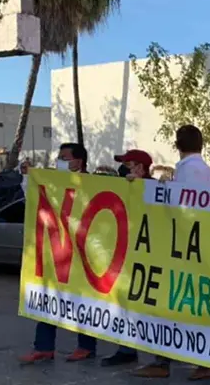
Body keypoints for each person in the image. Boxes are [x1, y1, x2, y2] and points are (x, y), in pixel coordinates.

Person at [131, 131, 210, 382]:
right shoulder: (194, 168)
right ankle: (165, 360)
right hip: (183, 244)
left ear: (178, 144)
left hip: (185, 245)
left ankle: (198, 362)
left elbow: (186, 208)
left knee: (183, 305)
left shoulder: (192, 170)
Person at [18, 143, 100, 364]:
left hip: (83, 253)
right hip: (58, 251)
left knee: (83, 301)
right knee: (49, 297)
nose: (59, 161)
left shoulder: (95, 184)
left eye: (64, 157)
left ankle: (86, 345)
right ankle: (44, 347)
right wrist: (28, 178)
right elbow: (35, 201)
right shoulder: (54, 182)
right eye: (59, 157)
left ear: (78, 162)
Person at [102, 150, 158, 368]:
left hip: (149, 258)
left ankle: (159, 359)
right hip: (127, 254)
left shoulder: (154, 189)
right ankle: (126, 349)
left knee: (151, 309)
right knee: (125, 304)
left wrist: (140, 186)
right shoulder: (125, 186)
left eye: (128, 164)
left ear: (141, 167)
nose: (124, 169)